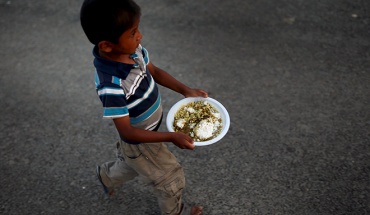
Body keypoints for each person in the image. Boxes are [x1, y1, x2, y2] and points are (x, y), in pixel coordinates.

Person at [80, 0, 207, 214]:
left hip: (147, 131)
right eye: (132, 33)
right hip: (140, 139)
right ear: (107, 45)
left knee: (131, 164)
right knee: (169, 178)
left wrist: (185, 90)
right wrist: (171, 136)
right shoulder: (111, 85)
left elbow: (154, 72)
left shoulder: (134, 50)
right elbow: (128, 133)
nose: (140, 36)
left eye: (137, 29)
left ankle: (106, 175)